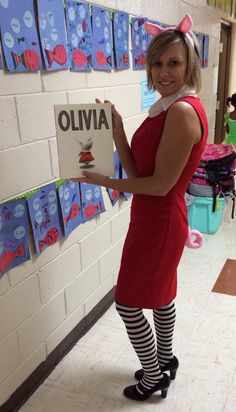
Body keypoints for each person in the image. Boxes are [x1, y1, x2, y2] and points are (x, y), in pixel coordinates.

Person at [73, 14, 208, 401]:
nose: (163, 71)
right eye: (157, 62)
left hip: (161, 220)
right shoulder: (170, 105)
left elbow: (160, 185)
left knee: (128, 303)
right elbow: (140, 172)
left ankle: (154, 377)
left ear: (190, 65)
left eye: (174, 62)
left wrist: (105, 182)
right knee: (162, 295)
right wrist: (117, 132)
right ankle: (165, 359)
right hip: (153, 216)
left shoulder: (182, 112)